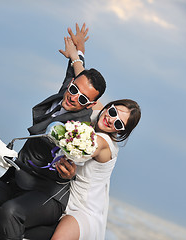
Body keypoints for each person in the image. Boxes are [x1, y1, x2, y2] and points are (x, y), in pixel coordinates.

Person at [0, 23, 107, 240]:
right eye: (74, 89)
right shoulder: (67, 93)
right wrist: (78, 53)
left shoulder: (80, 129)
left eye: (83, 99)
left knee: (10, 212)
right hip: (18, 182)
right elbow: (74, 73)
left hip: (46, 195)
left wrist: (69, 171)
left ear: (90, 105)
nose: (74, 96)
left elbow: (77, 154)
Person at [51, 38, 141, 240]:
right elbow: (83, 83)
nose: (111, 120)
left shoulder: (103, 143)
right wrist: (77, 54)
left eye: (119, 124)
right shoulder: (98, 113)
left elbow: (84, 148)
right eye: (113, 111)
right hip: (63, 194)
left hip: (83, 209)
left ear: (120, 132)